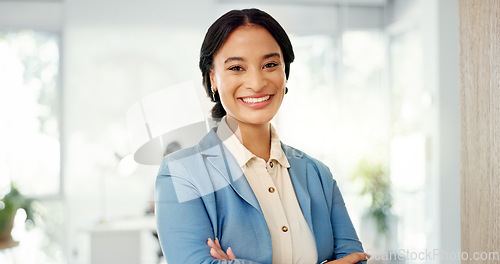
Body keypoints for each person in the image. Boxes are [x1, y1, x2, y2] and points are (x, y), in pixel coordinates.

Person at [155, 8, 369, 264]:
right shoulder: (181, 174)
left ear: (284, 72)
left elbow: (356, 259)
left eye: (270, 65)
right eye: (236, 67)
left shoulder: (318, 174)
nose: (256, 83)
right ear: (213, 78)